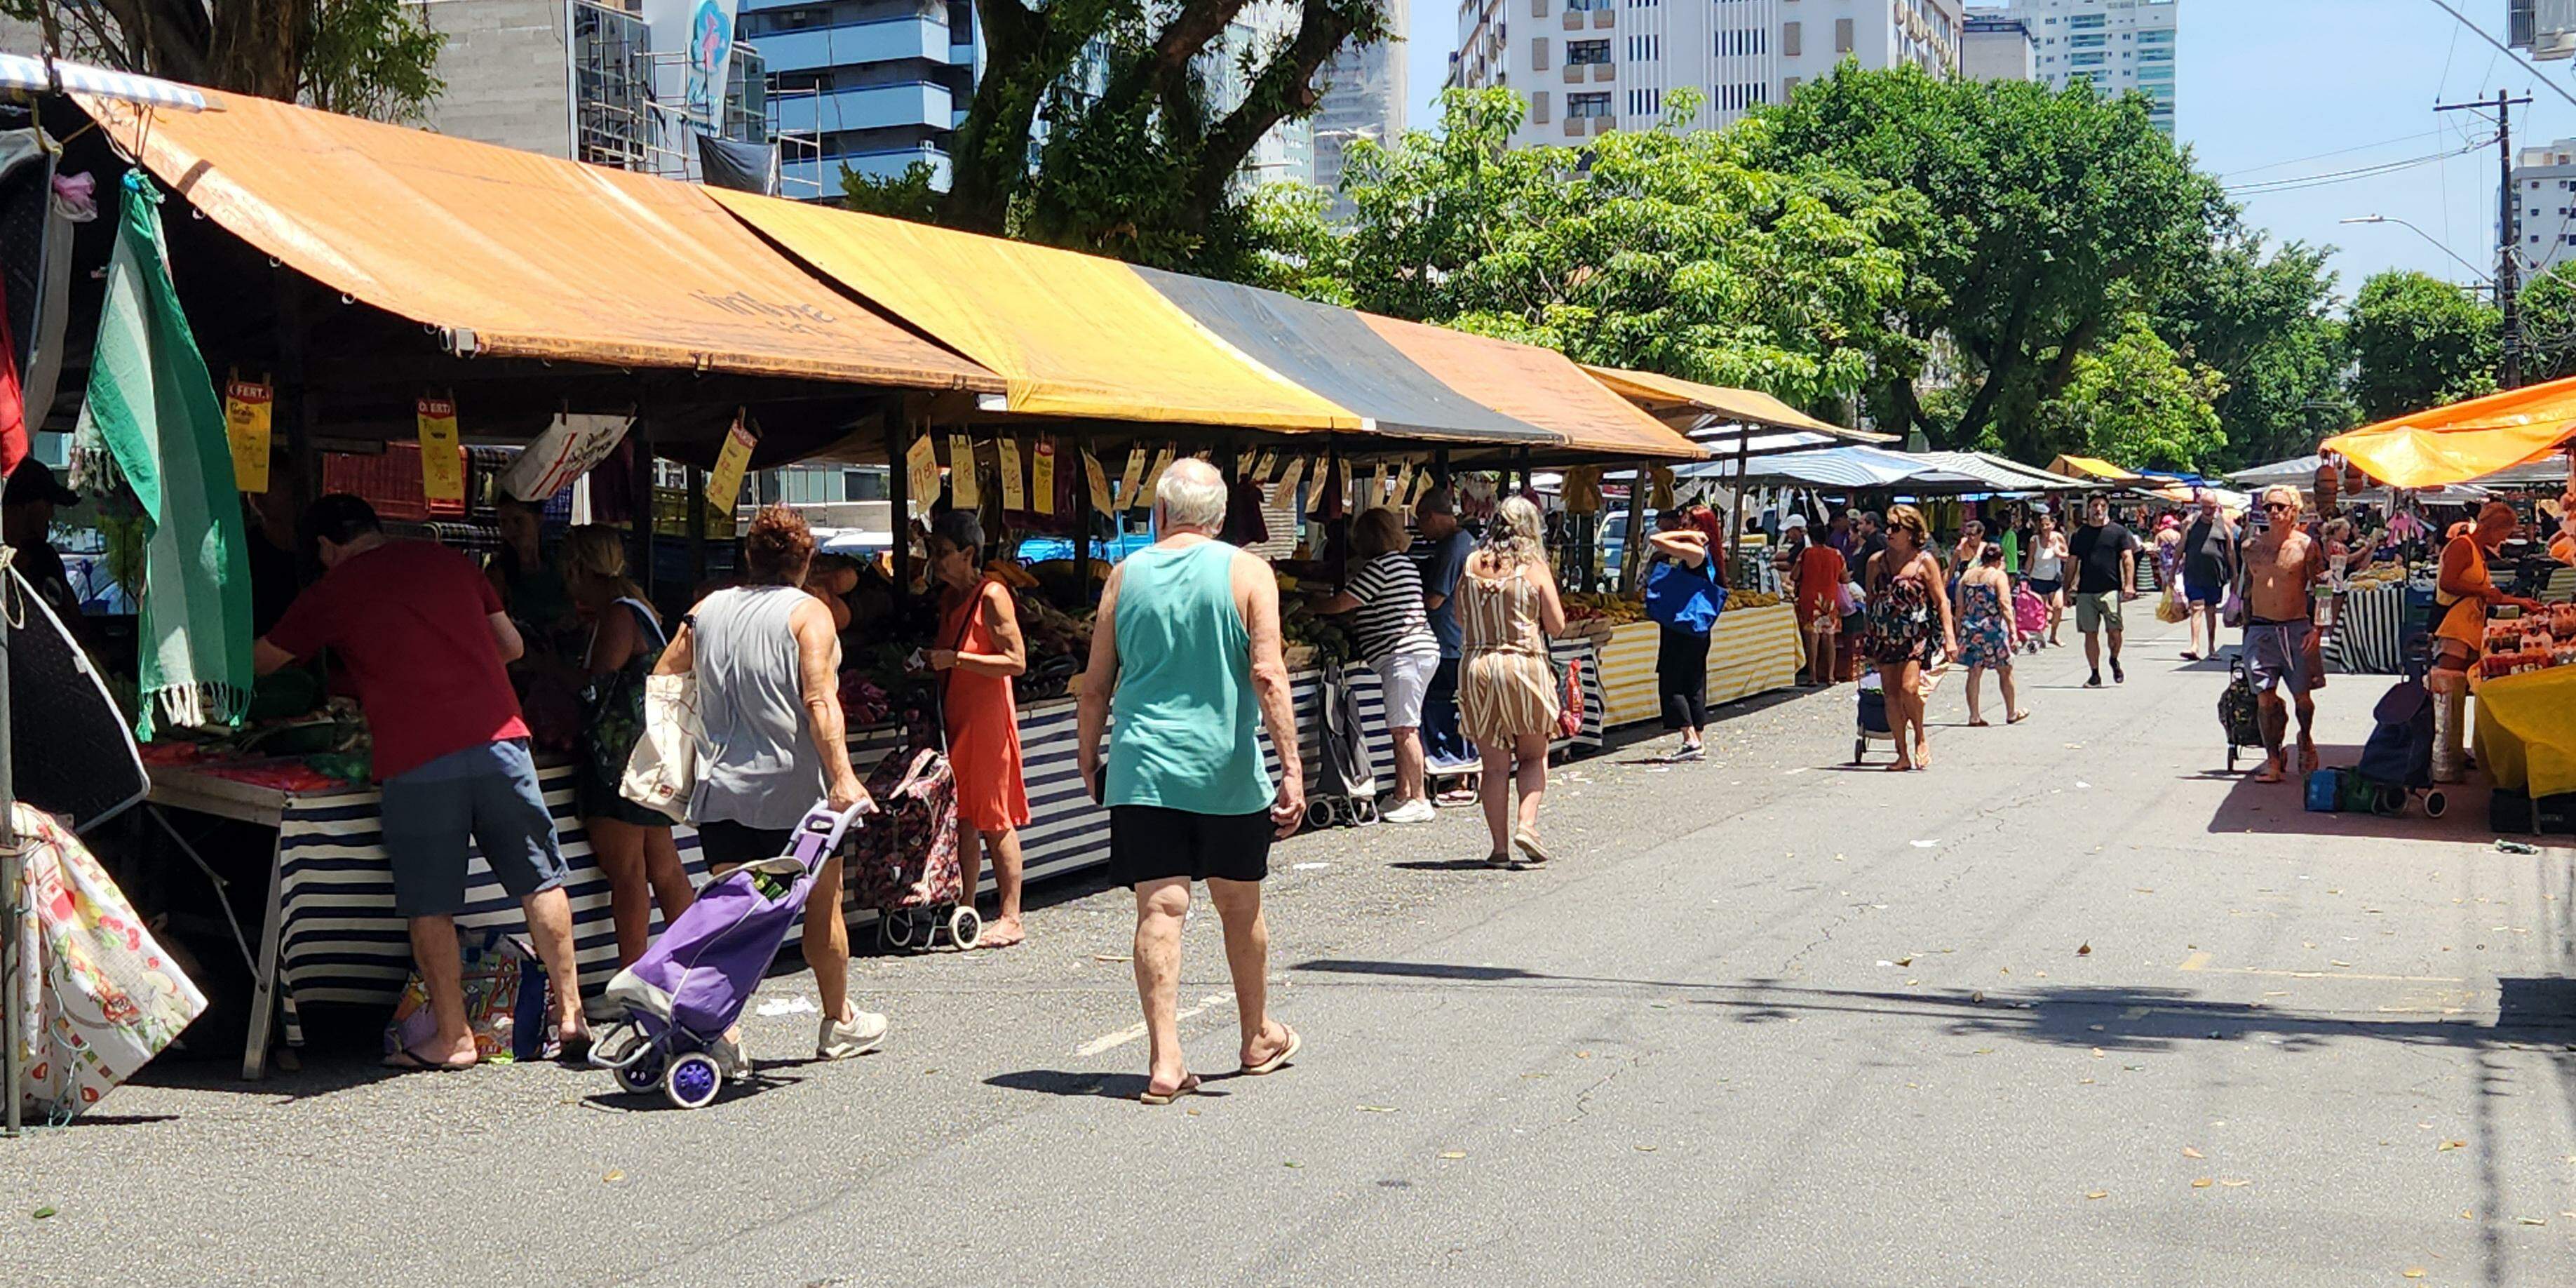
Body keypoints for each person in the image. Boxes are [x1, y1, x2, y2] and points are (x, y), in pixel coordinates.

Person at [253, 496, 590, 1070]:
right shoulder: (452, 563)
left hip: (417, 757)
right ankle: (571, 1017)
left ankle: (454, 1038)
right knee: (540, 880)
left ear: (325, 548)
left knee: (430, 905)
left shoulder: (334, 589)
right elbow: (511, 647)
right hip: (501, 742)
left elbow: (261, 662)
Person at [1076, 459, 1302, 1105]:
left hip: (1144, 767)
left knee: (1159, 909)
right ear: (1222, 518)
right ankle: (1256, 1035)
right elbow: (1267, 674)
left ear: (1161, 514)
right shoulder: (1249, 572)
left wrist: (1088, 755)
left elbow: (1096, 684)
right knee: (1240, 907)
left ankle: (1165, 1060)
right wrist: (1290, 767)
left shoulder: (1124, 576)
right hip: (1225, 770)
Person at [656, 505, 885, 1067]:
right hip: (793, 792)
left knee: (732, 920)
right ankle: (839, 1020)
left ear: (748, 559)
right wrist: (844, 777)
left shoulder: (705, 610)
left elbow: (664, 676)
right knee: (820, 911)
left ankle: (722, 1036)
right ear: (805, 561)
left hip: (721, 789)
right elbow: (819, 700)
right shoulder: (810, 614)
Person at [561, 525, 692, 970]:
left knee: (629, 873)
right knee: (663, 865)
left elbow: (595, 689)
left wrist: (549, 668)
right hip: (650, 754)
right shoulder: (640, 609)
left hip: (619, 760)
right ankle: (696, 965)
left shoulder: (618, 615)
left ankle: (632, 975)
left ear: (580, 569)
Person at [926, 509, 1032, 948]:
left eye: (944, 553)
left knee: (994, 817)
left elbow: (1017, 661)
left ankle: (1011, 916)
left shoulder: (993, 595)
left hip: (988, 721)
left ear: (969, 553)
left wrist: (957, 660)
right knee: (965, 817)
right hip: (959, 718)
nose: (936, 560)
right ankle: (965, 907)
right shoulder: (950, 600)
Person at [1455, 496, 1569, 866]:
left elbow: (1459, 615)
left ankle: (1499, 849)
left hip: (1477, 667)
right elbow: (1556, 624)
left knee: (1494, 766)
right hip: (1523, 664)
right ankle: (1527, 824)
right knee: (1533, 755)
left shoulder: (1472, 564)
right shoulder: (1533, 566)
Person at [1314, 507, 1441, 822]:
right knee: (1404, 726)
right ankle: (1402, 794)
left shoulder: (1381, 567)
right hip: (1416, 652)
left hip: (1404, 654)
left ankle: (1419, 799)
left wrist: (1312, 608)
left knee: (1404, 729)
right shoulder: (1403, 563)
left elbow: (1345, 601)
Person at [2427, 500, 2543, 783]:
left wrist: (2518, 601)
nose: (2504, 539)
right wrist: (2483, 590)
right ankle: (2443, 760)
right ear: (2492, 528)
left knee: (2468, 687)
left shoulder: (2478, 551)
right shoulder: (2462, 546)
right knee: (2449, 686)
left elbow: (2485, 593)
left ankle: (2456, 753)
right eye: (2504, 533)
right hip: (2452, 627)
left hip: (2469, 627)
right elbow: (2448, 583)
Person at [2238, 485, 2330, 784]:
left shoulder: (2306, 546)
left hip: (2296, 628)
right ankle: (2274, 759)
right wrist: (2244, 622)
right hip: (2261, 630)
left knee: (2302, 697)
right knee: (2264, 697)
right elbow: (2247, 589)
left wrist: (2318, 629)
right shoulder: (2250, 545)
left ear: (2294, 511)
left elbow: (2324, 589)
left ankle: (2305, 738)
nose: (2274, 513)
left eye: (2280, 507)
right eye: (2268, 508)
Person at [1863, 504, 1956, 772]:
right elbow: (1870, 601)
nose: (1889, 533)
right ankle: (1901, 753)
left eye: (1896, 528)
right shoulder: (1876, 562)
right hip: (1884, 635)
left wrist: (1950, 637)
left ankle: (1920, 736)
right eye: (1888, 527)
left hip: (1914, 634)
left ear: (1911, 532)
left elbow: (1941, 601)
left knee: (1909, 688)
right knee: (1890, 694)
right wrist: (1869, 637)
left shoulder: (1924, 561)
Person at [1412, 486, 1478, 802]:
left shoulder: (1453, 547)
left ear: (1434, 517)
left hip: (1449, 643)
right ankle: (1461, 773)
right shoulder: (1462, 542)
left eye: (1421, 521)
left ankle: (1459, 773)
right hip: (1456, 640)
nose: (1421, 530)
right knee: (1455, 707)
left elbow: (1436, 600)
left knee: (1446, 708)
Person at [1642, 511, 1718, 760]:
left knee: (1672, 681)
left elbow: (1656, 540)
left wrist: (1687, 534)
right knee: (1694, 682)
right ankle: (1697, 738)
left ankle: (1689, 738)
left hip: (1682, 628)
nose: (1681, 526)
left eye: (1687, 522)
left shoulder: (1697, 553)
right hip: (1696, 629)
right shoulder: (1709, 557)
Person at [2, 459, 86, 638]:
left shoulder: (42, 558)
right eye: (48, 504)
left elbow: (72, 623)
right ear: (25, 506)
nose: (51, 514)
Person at [2068, 495, 2139, 687]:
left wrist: (2129, 585)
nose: (2098, 509)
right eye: (2094, 505)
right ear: (2088, 509)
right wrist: (2066, 589)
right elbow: (2073, 562)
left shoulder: (2118, 532)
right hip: (2086, 591)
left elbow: (2128, 558)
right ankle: (2095, 674)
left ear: (2107, 508)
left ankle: (2114, 660)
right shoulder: (2080, 535)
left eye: (2101, 505)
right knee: (2090, 633)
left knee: (2115, 631)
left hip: (2111, 589)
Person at [1955, 542, 2028, 728]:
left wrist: (1957, 630)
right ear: (1999, 560)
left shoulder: (1967, 576)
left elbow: (1960, 607)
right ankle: (2011, 712)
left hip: (1970, 628)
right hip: (1992, 629)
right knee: (2005, 670)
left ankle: (1974, 716)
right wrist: (2013, 632)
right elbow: (2005, 604)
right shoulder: (1997, 576)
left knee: (1974, 672)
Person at [485, 495, 574, 645]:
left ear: (538, 519)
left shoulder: (562, 562)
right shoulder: (498, 572)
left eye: (518, 521)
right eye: (503, 523)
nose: (510, 529)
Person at [2180, 492, 2236, 662]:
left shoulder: (2224, 523)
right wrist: (2173, 571)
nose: (2207, 511)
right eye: (2204, 507)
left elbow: (2231, 551)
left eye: (2210, 507)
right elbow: (2180, 547)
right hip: (2193, 572)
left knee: (2211, 611)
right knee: (2196, 607)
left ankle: (2212, 647)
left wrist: (2235, 574)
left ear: (2216, 506)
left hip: (2215, 574)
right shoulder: (2190, 523)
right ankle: (2194, 646)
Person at [1794, 518, 1848, 688]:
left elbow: (1794, 576)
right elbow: (1844, 578)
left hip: (1810, 599)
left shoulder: (1806, 553)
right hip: (1830, 599)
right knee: (1829, 637)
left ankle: (1813, 676)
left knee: (1812, 637)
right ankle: (1831, 676)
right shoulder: (1837, 554)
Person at [2024, 511, 2070, 647]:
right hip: (2038, 579)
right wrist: (2025, 576)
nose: (2045, 528)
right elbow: (2030, 559)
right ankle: (2041, 635)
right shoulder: (2035, 540)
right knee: (2042, 610)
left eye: (2048, 525)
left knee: (2058, 606)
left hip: (2054, 579)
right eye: (2042, 525)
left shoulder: (2059, 538)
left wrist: (2059, 553)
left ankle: (2054, 635)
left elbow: (2068, 555)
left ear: (2053, 525)